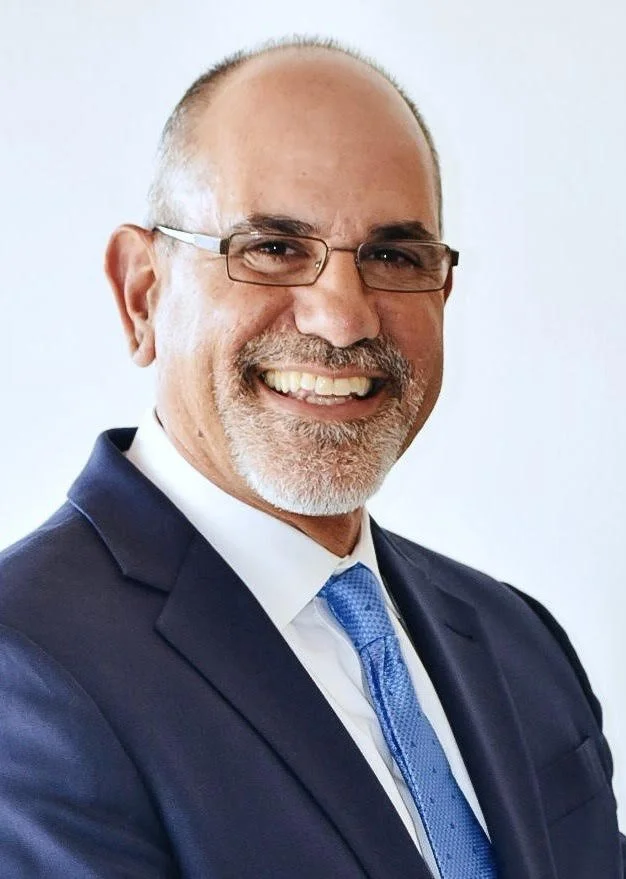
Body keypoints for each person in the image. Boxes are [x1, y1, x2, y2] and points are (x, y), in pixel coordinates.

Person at [0, 37, 622, 879]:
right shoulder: (25, 674)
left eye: (395, 256)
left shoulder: (517, 638)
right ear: (142, 292)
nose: (342, 318)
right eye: (271, 247)